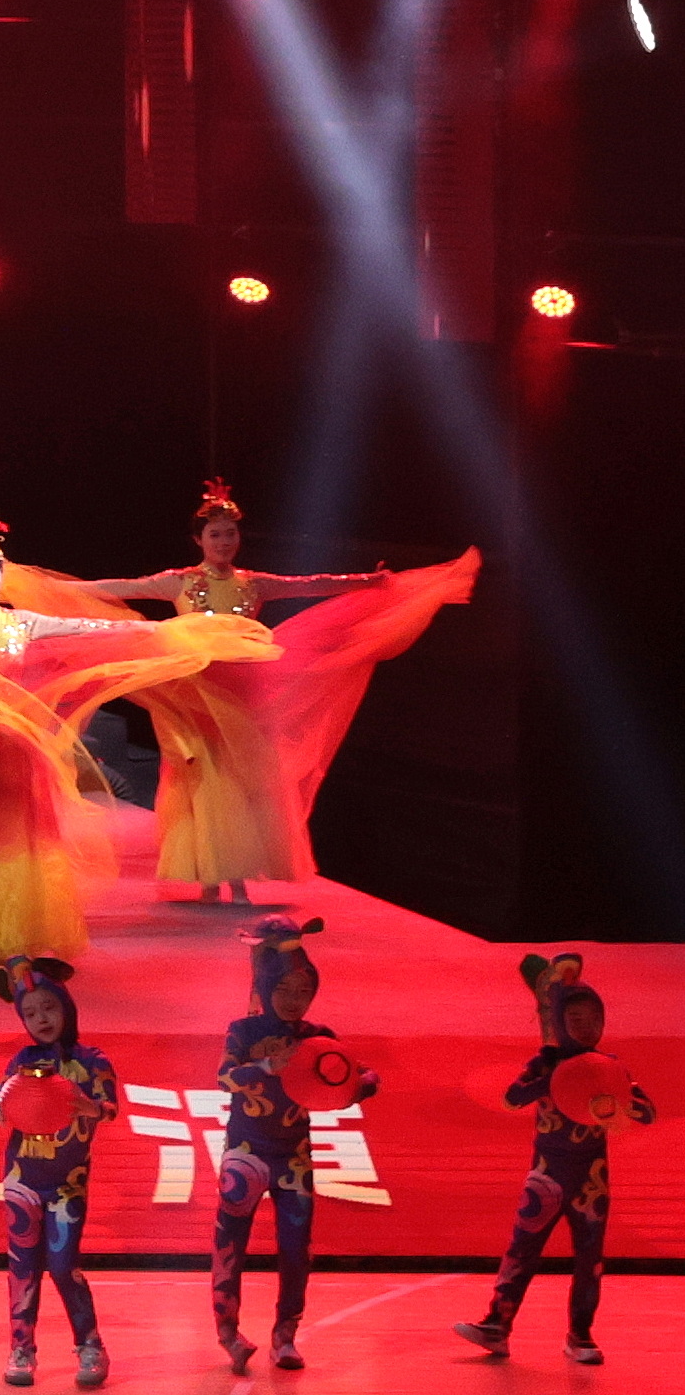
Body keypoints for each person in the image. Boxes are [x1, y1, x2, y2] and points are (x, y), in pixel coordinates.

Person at [0, 519, 277, 962]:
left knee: (16, 838)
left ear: (2, 575)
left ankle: (7, 931)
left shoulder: (23, 622)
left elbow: (87, 627)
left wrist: (156, 631)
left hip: (17, 744)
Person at [57, 481, 476, 903]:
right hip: (197, 695)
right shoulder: (179, 582)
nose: (223, 542)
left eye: (230, 534)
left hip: (245, 693)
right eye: (215, 534)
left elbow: (312, 583)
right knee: (205, 777)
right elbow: (119, 587)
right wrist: (60, 591)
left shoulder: (253, 583)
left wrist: (367, 581)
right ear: (198, 540)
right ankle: (210, 877)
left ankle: (237, 876)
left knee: (243, 779)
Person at [460, 953, 651, 1365]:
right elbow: (512, 1098)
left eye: (594, 1018)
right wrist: (555, 1079)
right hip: (546, 1176)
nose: (586, 1026)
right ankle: (497, 1326)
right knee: (521, 1251)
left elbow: (647, 1111)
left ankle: (580, 1335)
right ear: (560, 1022)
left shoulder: (610, 1067)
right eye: (576, 1018)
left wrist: (620, 1099)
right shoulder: (544, 1062)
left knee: (590, 1259)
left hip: (591, 1180)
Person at [208, 917, 356, 1378]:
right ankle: (229, 1333)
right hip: (245, 1152)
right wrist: (267, 1065)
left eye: (304, 991)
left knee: (296, 1248)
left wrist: (359, 1084)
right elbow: (225, 1078)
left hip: (294, 1157)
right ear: (267, 988)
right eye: (285, 989)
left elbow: (348, 1078)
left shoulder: (317, 1036)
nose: (295, 999)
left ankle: (285, 1334)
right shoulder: (243, 1031)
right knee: (230, 1244)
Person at [0, 958, 122, 1387]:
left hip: (68, 1184)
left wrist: (90, 1106)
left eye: (49, 1007)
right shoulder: (22, 1060)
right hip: (22, 1180)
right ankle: (21, 1349)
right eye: (30, 1013)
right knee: (23, 1268)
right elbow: (1, 1098)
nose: (41, 1019)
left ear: (67, 1007)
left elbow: (111, 1109)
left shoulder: (92, 1060)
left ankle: (90, 1345)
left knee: (64, 1266)